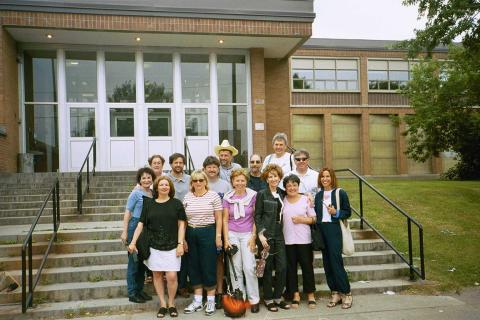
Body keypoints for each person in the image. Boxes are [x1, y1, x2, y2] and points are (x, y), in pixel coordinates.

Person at [128, 176, 187, 318]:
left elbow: (182, 225)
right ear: (156, 187)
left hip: (173, 245)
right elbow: (141, 224)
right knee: (157, 274)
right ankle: (162, 304)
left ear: (170, 188)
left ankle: (171, 303)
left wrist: (180, 243)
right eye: (161, 184)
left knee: (172, 276)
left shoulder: (176, 204)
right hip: (153, 245)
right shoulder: (149, 204)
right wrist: (133, 242)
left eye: (167, 184)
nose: (164, 187)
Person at [183, 170, 223, 316]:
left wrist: (218, 236)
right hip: (191, 233)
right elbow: (184, 220)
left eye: (201, 180)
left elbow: (219, 218)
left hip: (208, 232)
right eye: (195, 181)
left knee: (208, 265)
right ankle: (198, 300)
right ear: (191, 183)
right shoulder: (187, 197)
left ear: (206, 181)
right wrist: (183, 239)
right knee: (194, 265)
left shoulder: (213, 196)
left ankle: (211, 300)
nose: (198, 183)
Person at [314, 168, 353, 309]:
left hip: (334, 230)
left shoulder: (339, 193)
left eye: (327, 176)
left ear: (332, 178)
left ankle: (346, 293)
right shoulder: (318, 195)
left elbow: (348, 212)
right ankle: (335, 293)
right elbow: (317, 214)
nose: (325, 179)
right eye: (322, 177)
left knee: (336, 262)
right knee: (327, 263)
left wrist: (336, 212)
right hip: (322, 230)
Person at [222, 169, 260, 313]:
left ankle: (254, 299)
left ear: (246, 181)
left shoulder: (253, 195)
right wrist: (226, 240)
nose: (239, 183)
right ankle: (240, 298)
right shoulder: (227, 197)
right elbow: (225, 220)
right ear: (232, 182)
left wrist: (253, 236)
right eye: (237, 180)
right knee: (235, 268)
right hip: (232, 234)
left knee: (249, 268)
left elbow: (256, 217)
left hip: (248, 234)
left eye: (242, 180)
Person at [254, 164, 290, 312]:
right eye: (270, 176)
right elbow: (257, 215)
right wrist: (260, 235)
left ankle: (278, 297)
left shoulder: (283, 193)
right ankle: (268, 299)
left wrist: (308, 196)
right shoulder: (262, 194)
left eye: (275, 176)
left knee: (282, 267)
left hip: (280, 235)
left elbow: (296, 195)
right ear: (266, 179)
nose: (273, 178)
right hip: (266, 236)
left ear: (279, 177)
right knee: (267, 268)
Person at [121, 167, 155, 304]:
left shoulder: (153, 193)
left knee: (142, 262)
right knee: (133, 261)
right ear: (139, 180)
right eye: (143, 178)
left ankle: (140, 290)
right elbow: (127, 212)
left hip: (147, 228)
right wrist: (124, 231)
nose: (146, 180)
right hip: (135, 226)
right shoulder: (135, 193)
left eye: (148, 177)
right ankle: (132, 292)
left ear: (152, 179)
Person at [282, 174, 317, 309]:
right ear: (285, 188)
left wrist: (302, 220)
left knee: (307, 267)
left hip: (304, 240)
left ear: (298, 186)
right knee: (291, 269)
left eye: (294, 185)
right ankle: (295, 295)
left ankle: (310, 295)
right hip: (288, 240)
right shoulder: (282, 200)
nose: (292, 188)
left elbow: (314, 219)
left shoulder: (305, 199)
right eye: (289, 185)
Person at [167, 153, 191, 298]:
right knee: (171, 255)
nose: (178, 165)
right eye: (175, 162)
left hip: (188, 221)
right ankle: (172, 286)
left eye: (181, 162)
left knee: (185, 255)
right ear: (171, 164)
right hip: (170, 221)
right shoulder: (166, 179)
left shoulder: (189, 179)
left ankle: (182, 286)